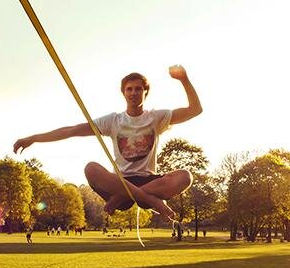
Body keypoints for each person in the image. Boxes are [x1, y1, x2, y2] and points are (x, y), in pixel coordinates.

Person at [13, 65, 202, 222]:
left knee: (185, 176)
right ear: (123, 93)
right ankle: (146, 200)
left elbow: (195, 110)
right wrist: (34, 138)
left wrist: (184, 79)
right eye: (129, 89)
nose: (134, 93)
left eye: (138, 89)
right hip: (119, 181)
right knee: (90, 169)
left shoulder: (156, 117)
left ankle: (125, 197)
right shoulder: (113, 121)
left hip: (148, 181)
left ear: (145, 93)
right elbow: (71, 130)